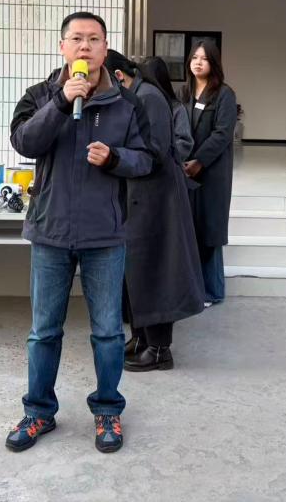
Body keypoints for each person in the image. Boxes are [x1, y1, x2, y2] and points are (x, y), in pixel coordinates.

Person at [6, 12, 154, 454]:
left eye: (93, 39)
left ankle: (107, 409)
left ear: (105, 49)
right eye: (76, 39)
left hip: (104, 234)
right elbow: (24, 142)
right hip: (50, 231)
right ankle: (38, 412)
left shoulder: (127, 104)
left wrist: (115, 158)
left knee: (108, 332)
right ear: (63, 47)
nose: (85, 46)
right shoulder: (39, 95)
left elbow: (147, 160)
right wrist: (60, 102)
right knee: (43, 332)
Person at [105, 51, 206, 372]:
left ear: (118, 76)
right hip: (141, 196)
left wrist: (113, 157)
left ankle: (160, 350)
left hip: (157, 199)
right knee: (138, 270)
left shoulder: (148, 97)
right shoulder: (136, 94)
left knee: (157, 270)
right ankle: (142, 338)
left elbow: (154, 151)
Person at [180, 40, 237, 306]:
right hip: (186, 169)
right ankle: (194, 289)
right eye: (194, 57)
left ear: (213, 63)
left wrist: (199, 161)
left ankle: (212, 291)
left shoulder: (224, 94)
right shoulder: (184, 93)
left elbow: (223, 133)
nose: (198, 62)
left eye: (204, 58)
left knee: (210, 229)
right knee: (190, 228)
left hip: (212, 172)